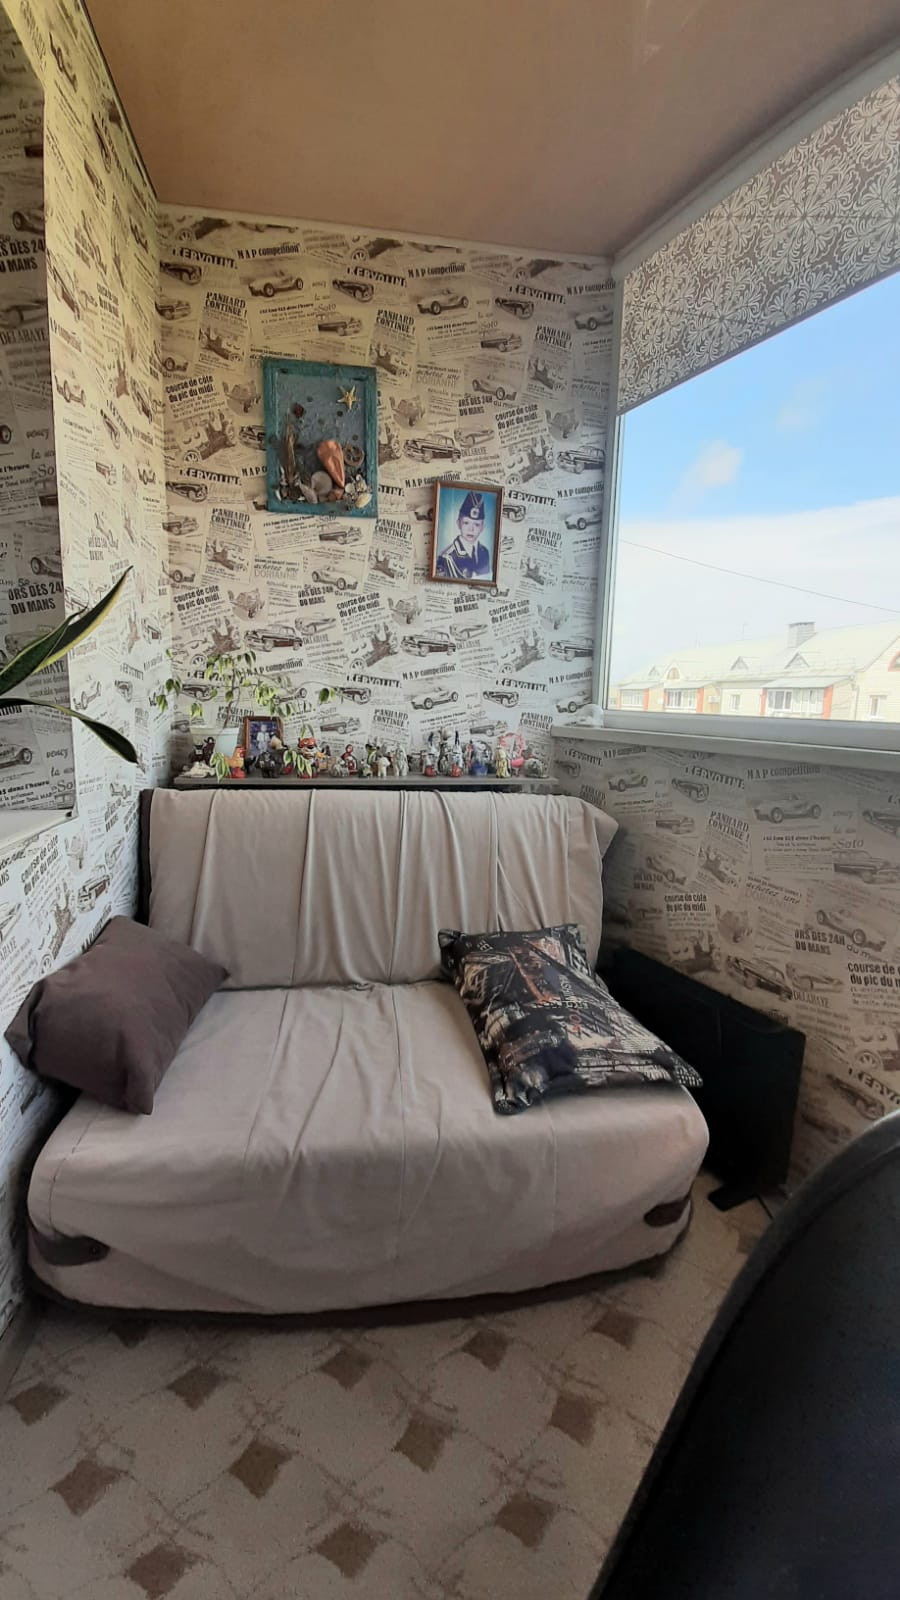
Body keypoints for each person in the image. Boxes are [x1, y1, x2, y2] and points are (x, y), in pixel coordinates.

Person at [436, 489, 493, 581]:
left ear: (482, 527)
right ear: (458, 523)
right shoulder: (447, 556)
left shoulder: (484, 552)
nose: (471, 529)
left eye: (476, 524)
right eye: (466, 523)